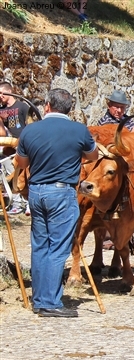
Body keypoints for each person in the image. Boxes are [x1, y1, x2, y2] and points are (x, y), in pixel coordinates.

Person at [15, 88, 98, 317]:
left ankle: (40, 299)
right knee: (58, 247)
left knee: (40, 246)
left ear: (47, 106)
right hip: (62, 192)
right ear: (68, 108)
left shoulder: (30, 130)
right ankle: (50, 302)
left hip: (36, 192)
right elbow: (93, 157)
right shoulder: (79, 130)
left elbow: (21, 163)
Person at [0, 81, 31, 215]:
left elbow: (29, 124)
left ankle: (30, 204)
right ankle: (17, 203)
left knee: (27, 173)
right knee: (10, 174)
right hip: (9, 147)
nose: (0, 96)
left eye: (2, 93)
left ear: (9, 91)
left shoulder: (22, 106)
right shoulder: (1, 110)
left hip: (23, 144)